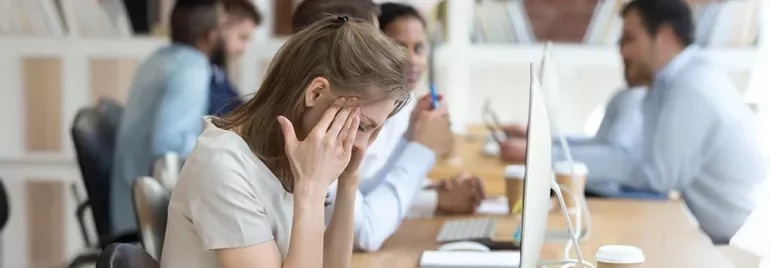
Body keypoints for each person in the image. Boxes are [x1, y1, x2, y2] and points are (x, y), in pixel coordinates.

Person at [161, 16, 411, 268]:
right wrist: (311, 190)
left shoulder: (295, 157)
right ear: (316, 93)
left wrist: (348, 181)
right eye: (361, 126)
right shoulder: (223, 165)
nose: (361, 145)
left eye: (374, 131)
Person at [293, 1, 485, 251]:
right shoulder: (312, 136)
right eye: (377, 47)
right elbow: (366, 231)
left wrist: (410, 139)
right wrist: (421, 149)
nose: (393, 60)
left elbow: (362, 195)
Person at [616, 0, 763, 243]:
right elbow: (642, 160)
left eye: (629, 40)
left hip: (738, 246)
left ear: (664, 36)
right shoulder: (662, 87)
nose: (622, 53)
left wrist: (562, 162)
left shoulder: (692, 87)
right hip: (715, 237)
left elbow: (658, 178)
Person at [111, 0, 225, 235]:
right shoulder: (191, 68)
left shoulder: (158, 58)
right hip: (145, 221)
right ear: (211, 35)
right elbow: (170, 148)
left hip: (126, 208)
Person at [208, 0, 262, 116]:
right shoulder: (202, 72)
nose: (243, 48)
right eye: (242, 37)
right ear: (222, 24)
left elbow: (238, 107)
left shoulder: (218, 72)